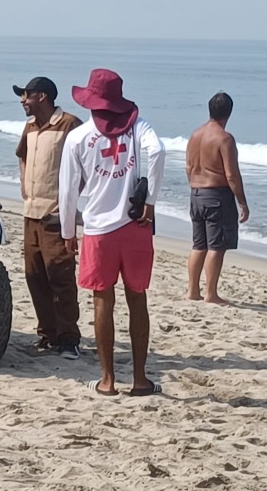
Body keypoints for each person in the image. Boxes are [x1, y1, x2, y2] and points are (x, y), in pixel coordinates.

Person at [59, 69, 166, 397]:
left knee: (102, 299)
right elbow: (159, 151)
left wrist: (67, 231)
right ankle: (139, 379)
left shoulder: (78, 137)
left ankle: (106, 380)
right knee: (138, 298)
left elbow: (67, 191)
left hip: (97, 229)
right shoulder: (138, 127)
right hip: (135, 227)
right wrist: (150, 201)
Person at [13, 77, 83, 358]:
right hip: (30, 214)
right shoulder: (29, 127)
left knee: (61, 277)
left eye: (26, 95)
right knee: (34, 276)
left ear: (42, 96)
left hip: (56, 215)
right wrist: (23, 185)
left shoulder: (69, 124)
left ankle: (68, 339)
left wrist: (70, 200)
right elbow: (22, 156)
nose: (23, 101)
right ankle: (47, 335)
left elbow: (85, 165)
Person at [185, 92, 249, 304]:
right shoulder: (224, 138)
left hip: (196, 193)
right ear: (229, 112)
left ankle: (193, 290)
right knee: (216, 246)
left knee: (198, 245)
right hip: (216, 195)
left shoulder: (195, 134)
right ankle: (211, 293)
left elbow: (188, 167)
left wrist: (196, 187)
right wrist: (242, 202)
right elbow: (231, 174)